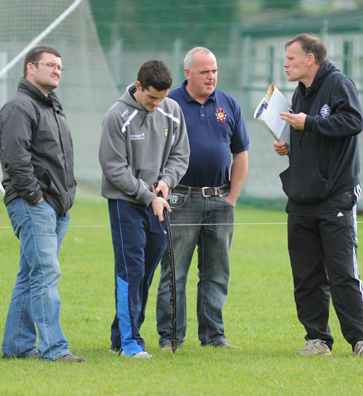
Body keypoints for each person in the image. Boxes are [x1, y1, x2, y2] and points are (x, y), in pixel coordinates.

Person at [274, 33, 363, 358]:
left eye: (291, 58)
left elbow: (353, 121)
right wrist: (288, 143)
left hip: (335, 195)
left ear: (311, 58)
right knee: (306, 274)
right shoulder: (299, 91)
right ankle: (317, 339)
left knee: (342, 272)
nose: (285, 64)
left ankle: (362, 340)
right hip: (301, 197)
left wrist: (310, 123)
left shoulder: (338, 83)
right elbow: (309, 131)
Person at [156, 47, 250, 351]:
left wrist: (232, 197)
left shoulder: (228, 103)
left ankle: (214, 337)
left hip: (220, 200)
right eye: (204, 72)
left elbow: (240, 153)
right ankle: (171, 338)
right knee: (175, 273)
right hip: (180, 199)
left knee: (216, 273)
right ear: (187, 74)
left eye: (214, 71)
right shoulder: (169, 103)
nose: (211, 77)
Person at [0, 46, 85, 362]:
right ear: (30, 69)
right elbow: (16, 160)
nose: (57, 70)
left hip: (56, 207)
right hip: (34, 204)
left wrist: (63, 199)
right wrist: (36, 197)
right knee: (46, 274)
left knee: (31, 275)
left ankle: (17, 347)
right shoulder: (19, 108)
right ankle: (55, 349)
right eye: (50, 65)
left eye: (60, 66)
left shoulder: (52, 107)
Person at [99, 60, 189, 358]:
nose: (157, 103)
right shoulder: (116, 116)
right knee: (131, 271)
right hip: (126, 203)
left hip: (158, 203)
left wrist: (166, 182)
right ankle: (130, 343)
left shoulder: (172, 110)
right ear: (138, 87)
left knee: (146, 273)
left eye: (162, 98)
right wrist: (146, 195)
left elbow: (180, 155)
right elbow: (114, 168)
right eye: (152, 97)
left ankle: (119, 337)